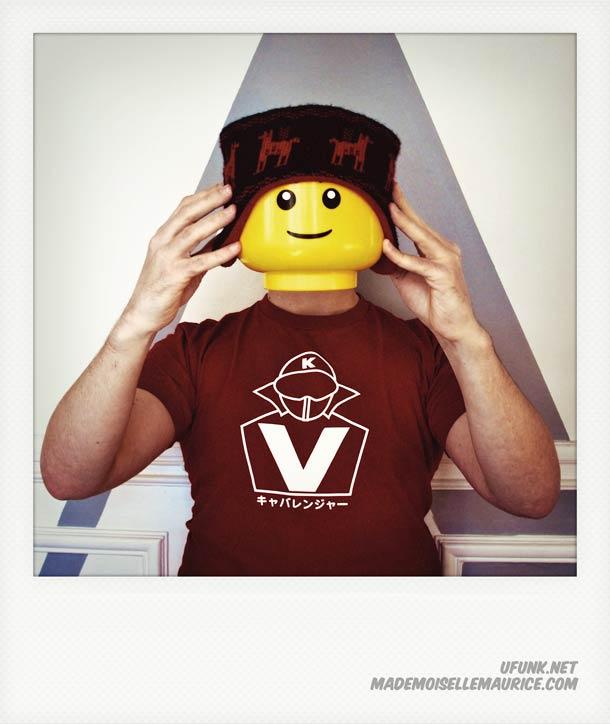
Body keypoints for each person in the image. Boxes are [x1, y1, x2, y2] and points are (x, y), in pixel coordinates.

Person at [40, 106, 560, 576]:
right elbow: (70, 478)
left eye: (332, 199)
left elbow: (530, 496)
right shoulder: (194, 350)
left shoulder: (427, 352)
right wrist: (136, 323)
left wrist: (465, 336)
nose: (309, 219)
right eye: (285, 200)